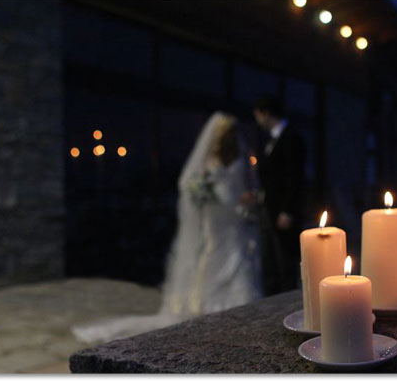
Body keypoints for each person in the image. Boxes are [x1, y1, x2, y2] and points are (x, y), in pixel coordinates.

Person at [72, 112, 262, 343]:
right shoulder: (208, 161)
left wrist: (245, 200)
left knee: (236, 258)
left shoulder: (240, 158)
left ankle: (235, 307)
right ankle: (206, 304)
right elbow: (188, 184)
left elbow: (244, 188)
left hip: (232, 218)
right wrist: (202, 194)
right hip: (214, 219)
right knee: (213, 256)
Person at [252, 95, 306, 296]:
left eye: (258, 115)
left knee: (285, 261)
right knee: (270, 261)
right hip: (269, 208)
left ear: (265, 113)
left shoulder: (292, 138)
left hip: (282, 211)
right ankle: (271, 304)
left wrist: (288, 210)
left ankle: (285, 304)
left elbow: (295, 178)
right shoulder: (270, 140)